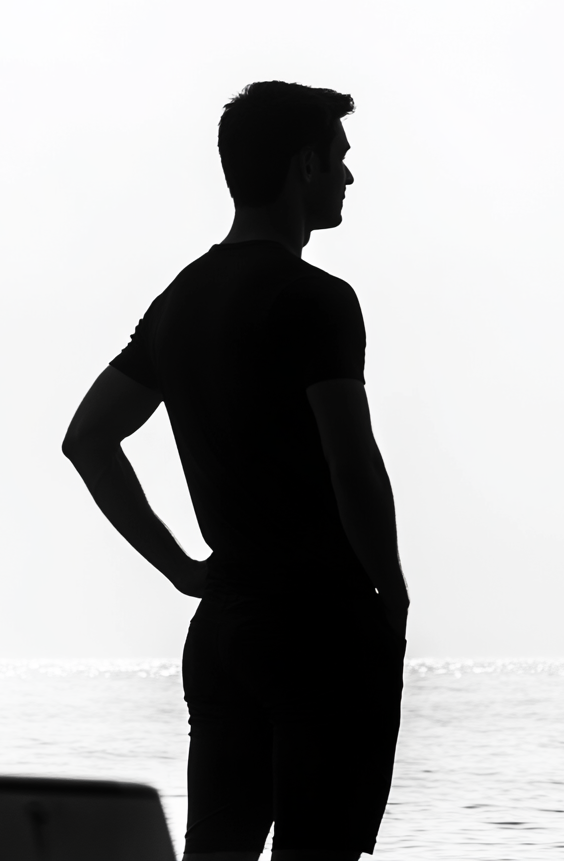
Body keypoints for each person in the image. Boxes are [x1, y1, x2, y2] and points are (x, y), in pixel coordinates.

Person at [62, 80, 409, 861]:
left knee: (215, 854)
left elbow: (88, 440)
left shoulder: (182, 298)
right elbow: (351, 461)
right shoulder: (316, 298)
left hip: (224, 631)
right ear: (303, 166)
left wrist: (183, 569)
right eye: (340, 158)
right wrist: (392, 590)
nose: (348, 176)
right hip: (320, 623)